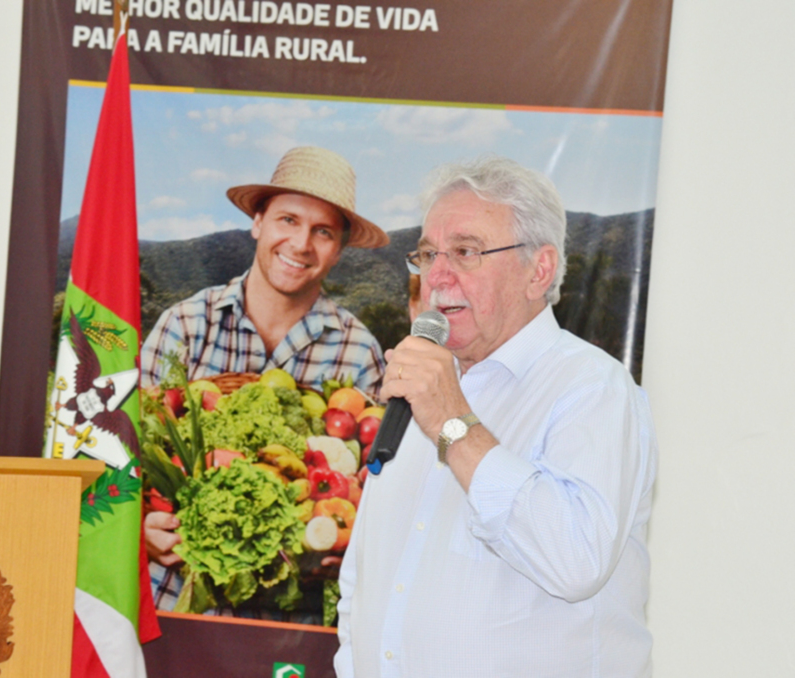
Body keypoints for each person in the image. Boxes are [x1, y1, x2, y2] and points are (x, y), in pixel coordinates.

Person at [335, 156, 657, 677]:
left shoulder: (592, 388)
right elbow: (364, 582)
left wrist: (452, 425)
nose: (437, 276)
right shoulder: (424, 386)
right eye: (428, 253)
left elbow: (576, 560)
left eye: (465, 252)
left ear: (540, 270)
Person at [142, 145, 390, 614]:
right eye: (288, 221)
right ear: (258, 223)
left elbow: (374, 486)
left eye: (323, 232)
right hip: (175, 600)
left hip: (291, 614)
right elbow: (117, 460)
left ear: (339, 249)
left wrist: (345, 541)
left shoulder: (358, 351)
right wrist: (140, 527)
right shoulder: (186, 326)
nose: (301, 245)